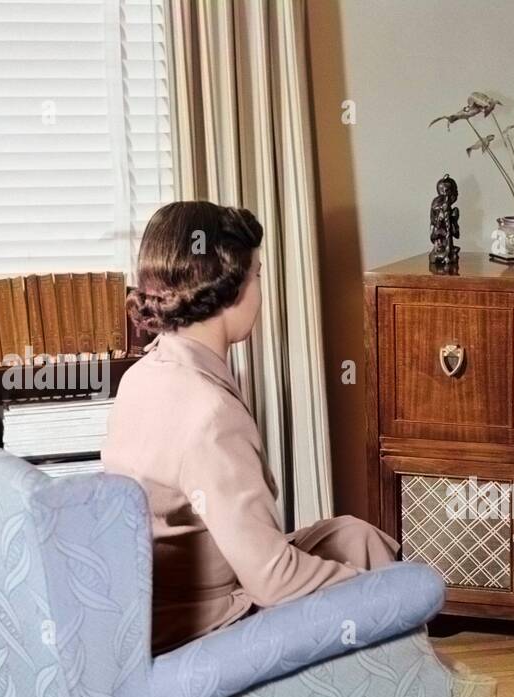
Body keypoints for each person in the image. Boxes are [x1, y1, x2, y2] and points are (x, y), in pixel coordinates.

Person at [103, 200, 396, 655]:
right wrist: (381, 592)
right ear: (226, 287)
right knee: (391, 585)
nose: (260, 290)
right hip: (205, 620)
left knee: (357, 537)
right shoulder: (210, 413)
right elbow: (273, 580)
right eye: (257, 275)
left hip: (156, 606)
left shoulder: (143, 375)